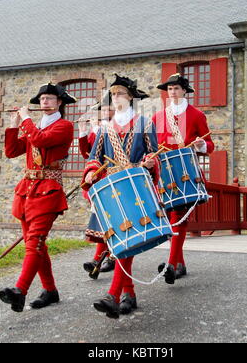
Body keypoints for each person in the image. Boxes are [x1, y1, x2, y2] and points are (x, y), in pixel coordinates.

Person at [81, 74, 160, 318]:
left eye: (121, 94)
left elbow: (153, 154)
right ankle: (129, 293)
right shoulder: (105, 129)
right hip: (111, 188)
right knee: (120, 241)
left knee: (128, 238)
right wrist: (92, 172)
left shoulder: (145, 124)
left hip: (135, 186)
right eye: (113, 94)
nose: (116, 98)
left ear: (131, 97)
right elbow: (95, 157)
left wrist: (150, 163)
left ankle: (114, 295)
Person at [0, 82, 75, 312]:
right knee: (38, 246)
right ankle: (50, 290)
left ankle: (19, 290)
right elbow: (12, 151)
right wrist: (14, 125)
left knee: (34, 243)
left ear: (59, 103)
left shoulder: (64, 126)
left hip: (48, 191)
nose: (45, 102)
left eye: (50, 98)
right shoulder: (36, 126)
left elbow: (41, 140)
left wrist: (25, 120)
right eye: (42, 99)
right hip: (26, 192)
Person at [152, 73, 214, 284]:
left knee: (179, 215)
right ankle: (180, 264)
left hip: (187, 171)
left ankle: (171, 263)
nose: (173, 92)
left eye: (177, 88)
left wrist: (200, 145)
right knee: (171, 216)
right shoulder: (158, 117)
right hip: (164, 172)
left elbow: (210, 145)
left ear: (184, 91)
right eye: (170, 89)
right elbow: (152, 146)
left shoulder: (196, 115)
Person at [78, 93, 116, 277]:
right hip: (99, 179)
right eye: (103, 109)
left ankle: (102, 258)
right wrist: (84, 132)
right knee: (104, 219)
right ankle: (102, 258)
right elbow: (88, 154)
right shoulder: (99, 128)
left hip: (114, 178)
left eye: (109, 108)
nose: (105, 112)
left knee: (109, 219)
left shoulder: (117, 127)